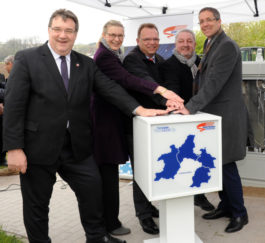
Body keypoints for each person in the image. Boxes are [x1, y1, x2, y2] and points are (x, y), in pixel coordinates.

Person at [3, 9, 168, 243]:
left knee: (92, 191)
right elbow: (13, 105)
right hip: (38, 148)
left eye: (69, 31)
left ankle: (97, 237)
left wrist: (139, 109)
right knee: (37, 205)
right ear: (49, 31)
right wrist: (14, 147)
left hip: (76, 148)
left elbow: (110, 89)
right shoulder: (27, 59)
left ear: (75, 34)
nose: (63, 35)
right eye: (58, 29)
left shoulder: (85, 63)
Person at [91, 20, 183, 236]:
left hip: (126, 120)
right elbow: (129, 80)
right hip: (108, 123)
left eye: (119, 35)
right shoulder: (108, 56)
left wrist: (170, 99)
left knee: (121, 173)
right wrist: (161, 91)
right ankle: (113, 223)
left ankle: (113, 221)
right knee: (114, 175)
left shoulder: (116, 54)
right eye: (112, 35)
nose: (116, 39)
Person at [174, 7, 249, 233]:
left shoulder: (226, 45)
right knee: (218, 163)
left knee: (227, 165)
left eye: (209, 20)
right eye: (202, 21)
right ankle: (226, 206)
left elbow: (214, 83)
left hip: (225, 116)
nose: (205, 24)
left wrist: (190, 108)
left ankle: (239, 213)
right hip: (214, 116)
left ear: (219, 21)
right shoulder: (210, 44)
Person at [123, 23, 180, 235]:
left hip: (156, 127)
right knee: (141, 172)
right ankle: (143, 215)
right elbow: (144, 83)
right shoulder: (132, 59)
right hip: (135, 126)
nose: (152, 43)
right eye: (147, 39)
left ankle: (149, 206)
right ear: (138, 41)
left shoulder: (159, 60)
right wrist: (167, 101)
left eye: (155, 39)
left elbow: (168, 82)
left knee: (154, 169)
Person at [159, 28, 215, 212]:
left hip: (200, 119)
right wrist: (188, 107)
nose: (185, 45)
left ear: (195, 44)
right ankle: (178, 198)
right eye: (181, 41)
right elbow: (173, 91)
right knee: (180, 161)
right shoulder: (168, 66)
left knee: (199, 159)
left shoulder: (201, 63)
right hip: (179, 121)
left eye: (189, 41)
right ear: (175, 44)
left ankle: (199, 196)